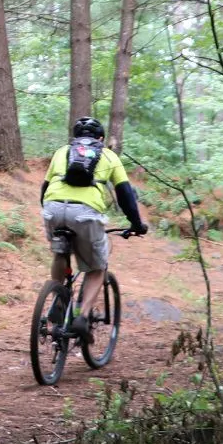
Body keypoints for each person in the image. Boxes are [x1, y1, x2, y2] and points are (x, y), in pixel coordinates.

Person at [40, 117, 147, 335]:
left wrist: (54, 213)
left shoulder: (62, 152)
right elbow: (125, 194)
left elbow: (44, 188)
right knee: (97, 268)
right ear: (101, 138)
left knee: (60, 253)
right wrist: (136, 223)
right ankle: (83, 315)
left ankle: (58, 302)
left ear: (75, 137)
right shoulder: (109, 155)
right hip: (85, 213)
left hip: (52, 208)